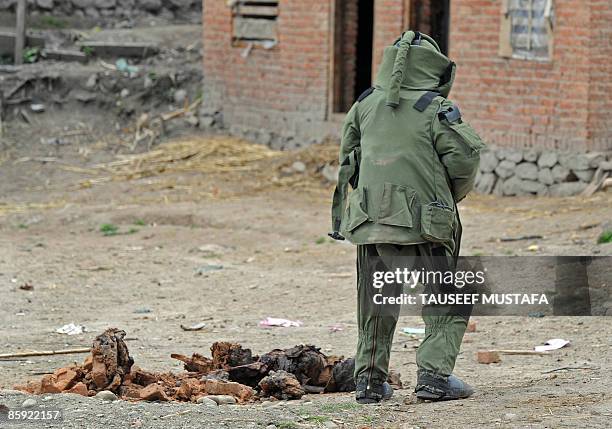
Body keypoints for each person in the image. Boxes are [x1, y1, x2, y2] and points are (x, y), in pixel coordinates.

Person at [329, 31, 485, 404]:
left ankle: (369, 381)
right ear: (433, 68)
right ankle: (434, 378)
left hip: (369, 222)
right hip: (424, 226)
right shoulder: (434, 109)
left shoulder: (364, 104)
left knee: (375, 300)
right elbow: (465, 158)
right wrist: (448, 195)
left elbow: (347, 156)